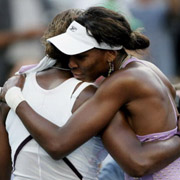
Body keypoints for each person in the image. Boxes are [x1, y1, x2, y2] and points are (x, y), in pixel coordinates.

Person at [1, 6, 180, 180]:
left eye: (81, 56)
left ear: (110, 54)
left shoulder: (121, 82)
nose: (71, 64)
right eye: (69, 55)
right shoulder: (146, 69)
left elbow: (58, 144)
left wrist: (15, 98)